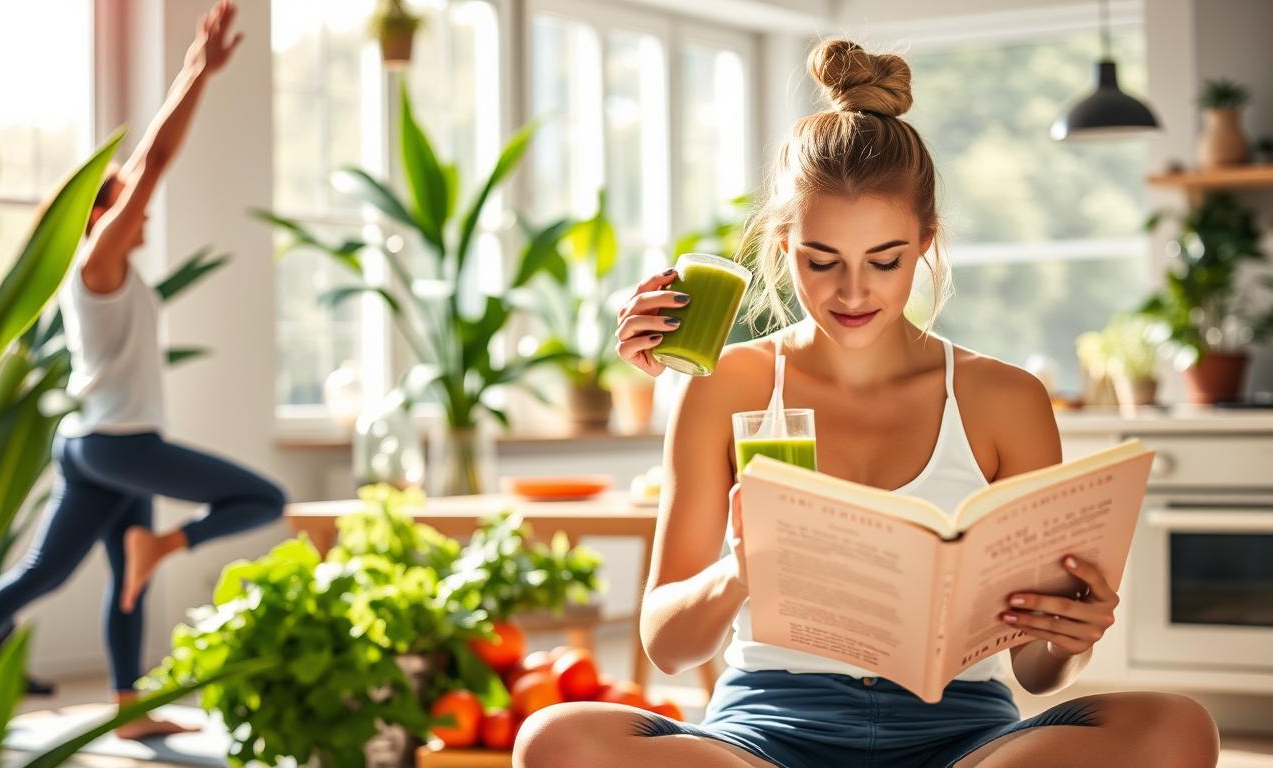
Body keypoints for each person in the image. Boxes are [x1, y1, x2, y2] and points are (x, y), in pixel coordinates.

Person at [514, 39, 1219, 768]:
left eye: (884, 261)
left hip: (963, 735)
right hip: (766, 736)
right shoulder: (729, 384)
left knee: (1177, 728)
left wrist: (1068, 635)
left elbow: (1034, 669)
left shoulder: (1003, 397)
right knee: (557, 741)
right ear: (784, 246)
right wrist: (740, 573)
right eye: (823, 262)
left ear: (925, 243)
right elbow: (667, 646)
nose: (853, 293)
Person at [0, 0, 285, 740]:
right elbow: (155, 162)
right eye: (125, 208)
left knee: (100, 575)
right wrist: (193, 70)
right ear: (99, 215)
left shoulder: (118, 275)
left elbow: (146, 176)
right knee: (260, 498)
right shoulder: (96, 261)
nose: (142, 216)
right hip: (120, 444)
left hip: (102, 447)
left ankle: (127, 709)